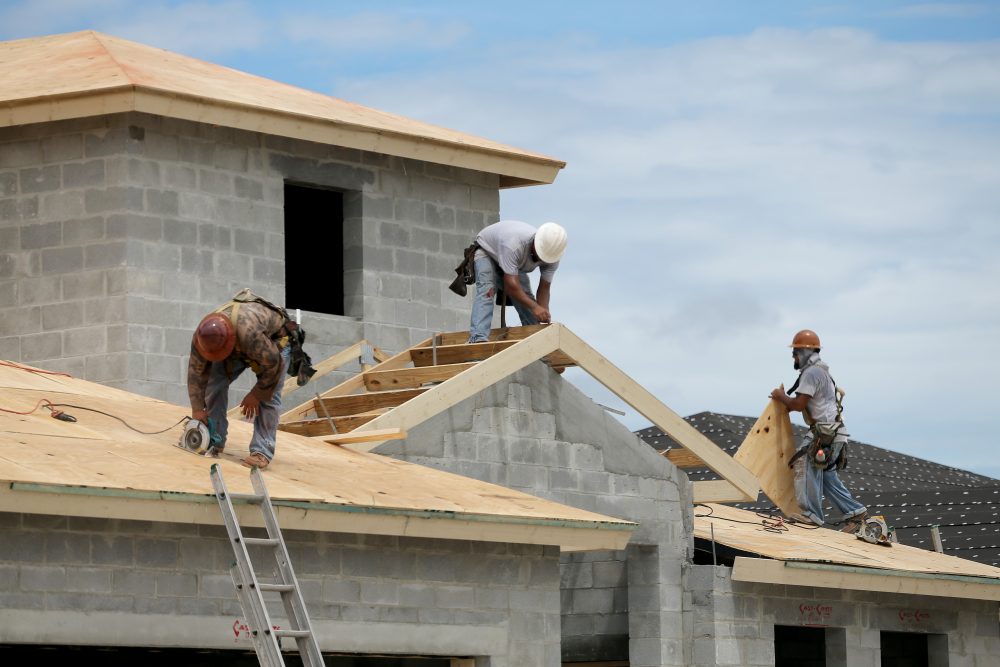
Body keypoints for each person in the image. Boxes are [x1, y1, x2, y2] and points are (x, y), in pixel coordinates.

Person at [187, 289, 299, 469]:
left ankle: (262, 450)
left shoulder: (249, 334)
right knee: (214, 383)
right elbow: (195, 374)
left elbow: (273, 365)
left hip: (275, 344)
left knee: (269, 397)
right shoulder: (202, 336)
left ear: (230, 342)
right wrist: (197, 409)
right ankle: (214, 438)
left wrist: (256, 394)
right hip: (241, 344)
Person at [769, 329, 868, 531]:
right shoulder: (821, 372)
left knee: (804, 464)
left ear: (804, 353)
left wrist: (780, 395)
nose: (793, 357)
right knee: (827, 476)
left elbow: (798, 404)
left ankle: (811, 515)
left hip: (825, 434)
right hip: (835, 433)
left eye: (795, 352)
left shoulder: (811, 373)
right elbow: (805, 403)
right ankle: (855, 512)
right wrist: (788, 402)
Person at [467, 220, 568, 343]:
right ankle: (478, 338)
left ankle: (536, 336)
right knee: (487, 291)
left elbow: (544, 289)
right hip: (488, 251)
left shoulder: (552, 257)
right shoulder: (514, 245)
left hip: (512, 262)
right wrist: (535, 307)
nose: (541, 259)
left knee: (526, 297)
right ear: (536, 243)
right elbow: (511, 286)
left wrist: (543, 312)